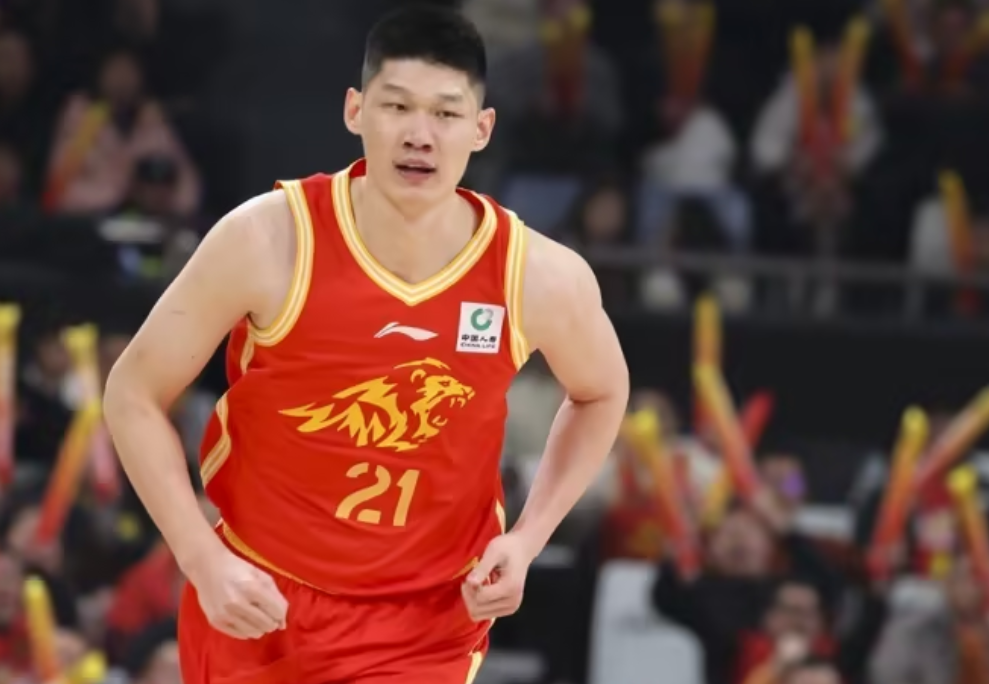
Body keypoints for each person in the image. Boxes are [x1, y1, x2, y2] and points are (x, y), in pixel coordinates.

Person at [103, 6, 629, 684]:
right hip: (262, 597)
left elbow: (602, 391)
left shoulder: (536, 274)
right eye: (397, 106)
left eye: (445, 114)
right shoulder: (268, 240)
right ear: (355, 110)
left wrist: (528, 538)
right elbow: (133, 392)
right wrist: (200, 558)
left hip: (427, 618)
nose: (419, 135)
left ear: (482, 128)